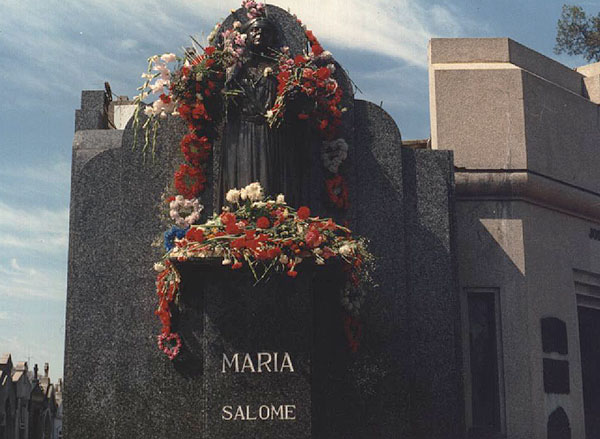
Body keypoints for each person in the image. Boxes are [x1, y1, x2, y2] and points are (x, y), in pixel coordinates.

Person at [217, 16, 310, 208]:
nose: (260, 34)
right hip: (242, 132)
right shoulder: (237, 67)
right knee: (242, 183)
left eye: (265, 31)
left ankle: (274, 223)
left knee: (271, 182)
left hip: (272, 133)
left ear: (273, 38)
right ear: (245, 36)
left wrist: (293, 98)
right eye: (255, 30)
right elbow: (223, 102)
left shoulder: (281, 68)